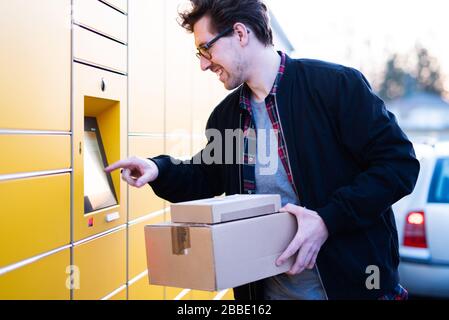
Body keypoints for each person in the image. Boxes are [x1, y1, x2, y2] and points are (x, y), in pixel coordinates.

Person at [105, 0, 420, 300]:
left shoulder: (335, 86)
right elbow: (205, 176)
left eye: (205, 48)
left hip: (357, 287)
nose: (202, 64)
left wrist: (327, 219)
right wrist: (158, 168)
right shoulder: (227, 116)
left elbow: (398, 165)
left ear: (240, 33)